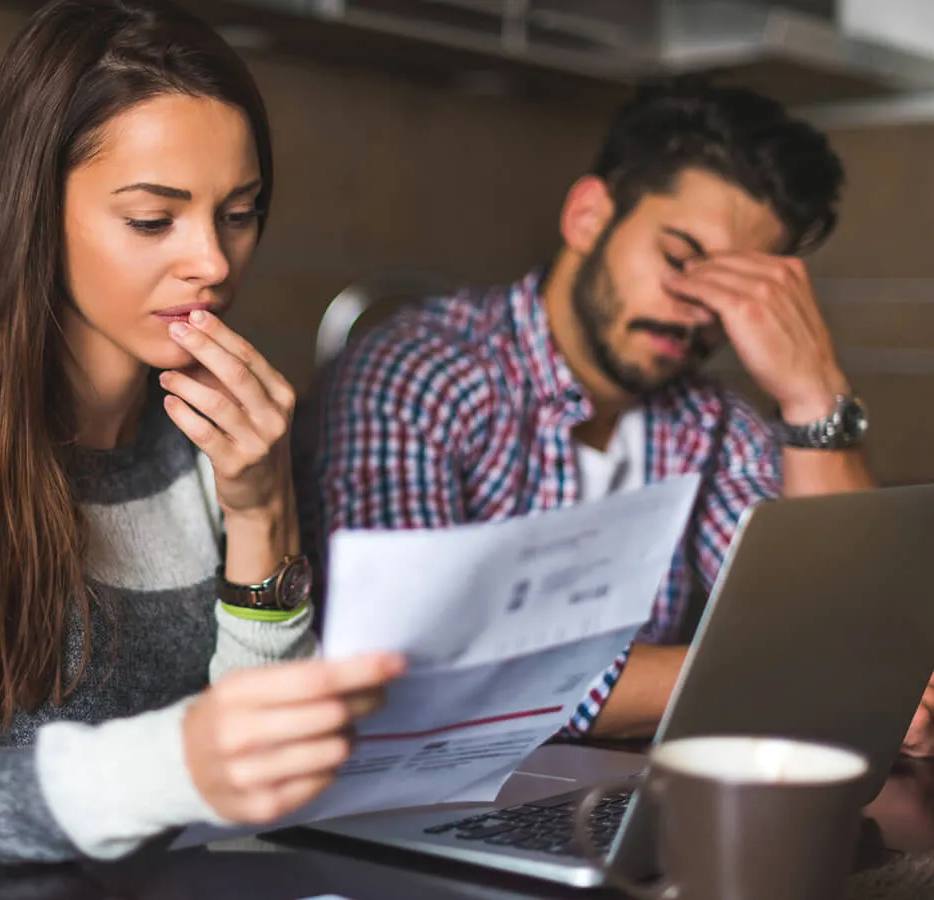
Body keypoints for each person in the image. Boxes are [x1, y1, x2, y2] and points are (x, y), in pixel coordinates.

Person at [0, 0, 405, 895]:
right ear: (35, 209)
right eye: (154, 220)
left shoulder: (211, 431)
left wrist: (261, 508)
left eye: (239, 213)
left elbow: (260, 799)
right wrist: (171, 763)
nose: (215, 263)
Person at [312, 78, 929, 748]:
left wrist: (813, 395)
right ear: (588, 216)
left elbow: (847, 635)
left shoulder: (717, 425)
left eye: (738, 285)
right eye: (682, 259)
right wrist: (796, 680)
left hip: (611, 809)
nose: (701, 306)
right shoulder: (417, 370)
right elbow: (416, 669)